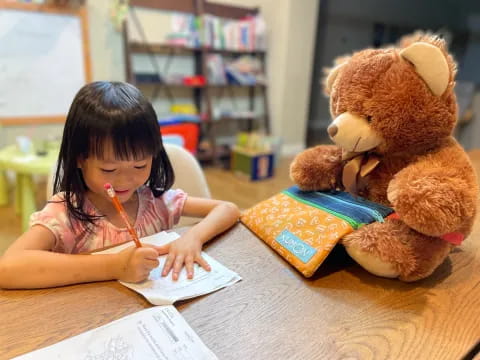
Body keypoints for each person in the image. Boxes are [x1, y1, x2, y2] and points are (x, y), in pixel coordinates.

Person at [0, 81, 239, 289]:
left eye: (139, 166)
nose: (125, 181)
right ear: (80, 159)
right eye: (109, 169)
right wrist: (114, 266)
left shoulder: (156, 202)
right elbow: (8, 268)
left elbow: (228, 209)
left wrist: (193, 237)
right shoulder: (65, 213)